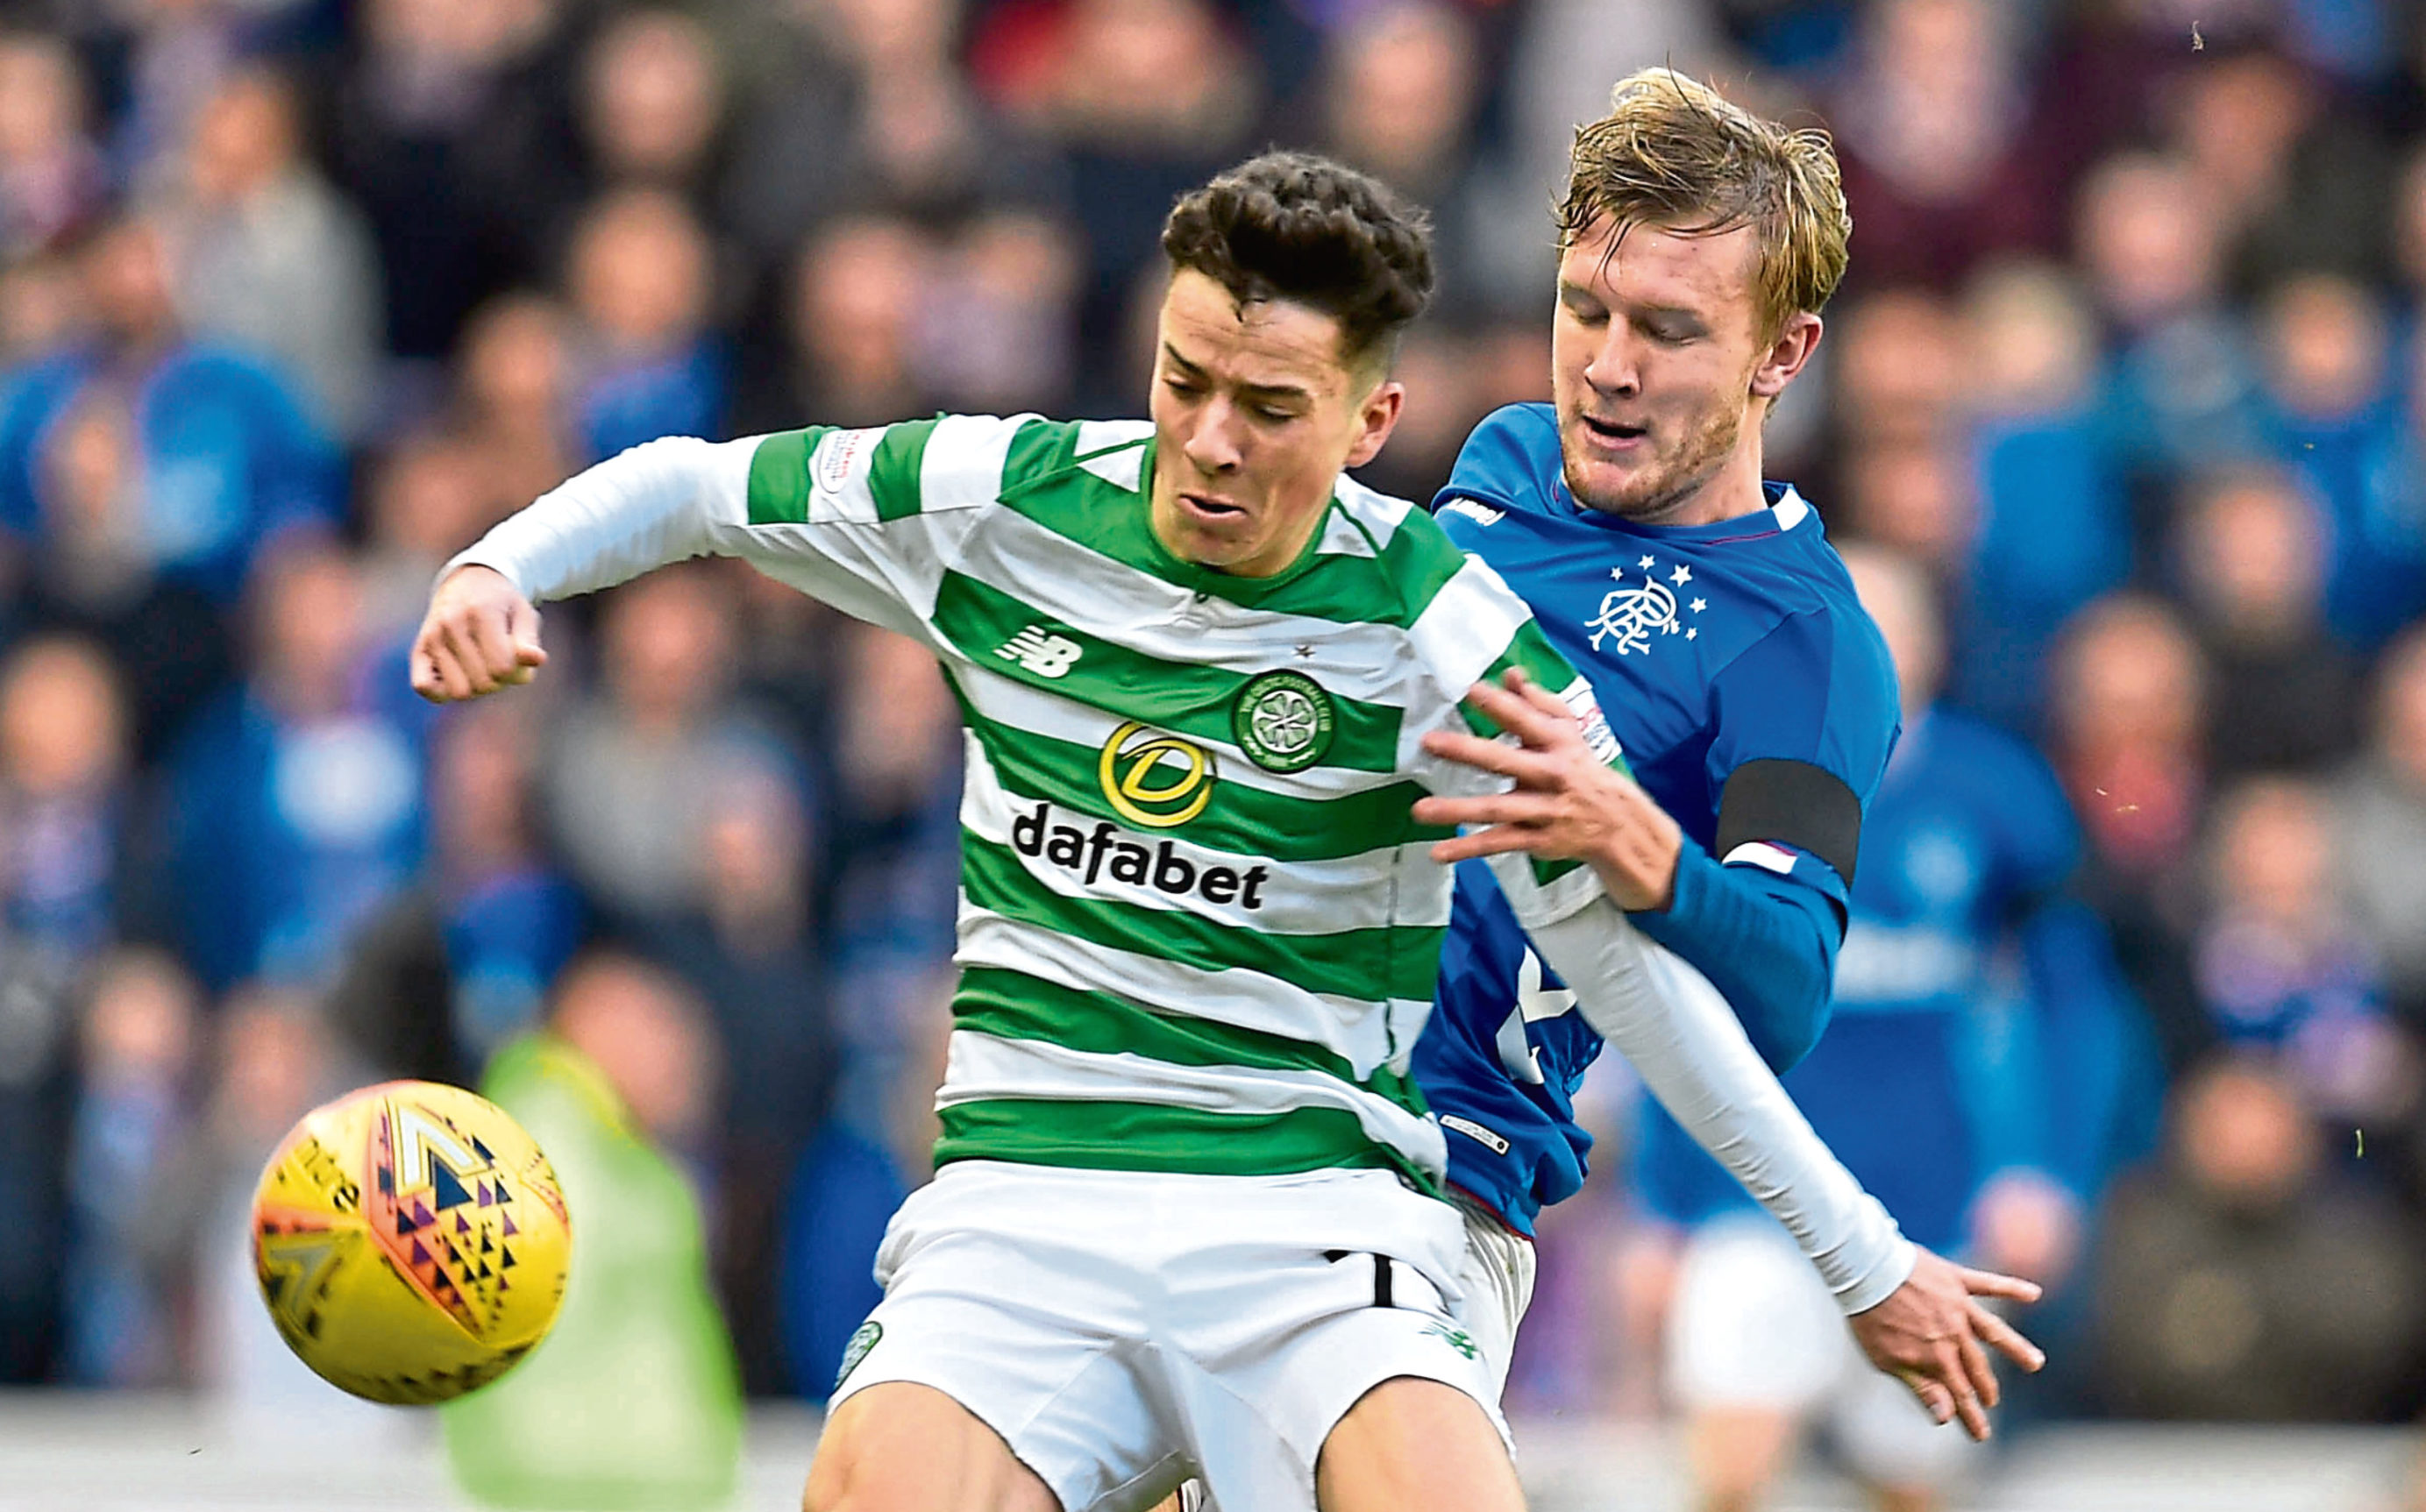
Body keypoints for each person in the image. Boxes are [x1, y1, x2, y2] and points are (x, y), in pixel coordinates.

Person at [415, 152, 2025, 1512]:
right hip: (1038, 1191)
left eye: (1268, 405)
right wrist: (497, 567)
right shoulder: (1071, 499)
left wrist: (1852, 1246)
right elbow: (706, 486)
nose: (1211, 441)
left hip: (1364, 1192)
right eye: (1582, 311)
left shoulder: (1546, 629)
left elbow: (1678, 977)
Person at [1412, 69, 2042, 1445]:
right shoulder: (1502, 459)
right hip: (1248, 1082)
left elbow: (1782, 974)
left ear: (1783, 353)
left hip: (1436, 1167)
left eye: (1668, 330)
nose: (1606, 366)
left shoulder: (1806, 643)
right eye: (1582, 308)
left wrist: (1642, 850)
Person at [1633, 544, 2138, 1512]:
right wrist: (1661, 1204)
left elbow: (2070, 998)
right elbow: (1667, 999)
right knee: (1729, 1472)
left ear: (1925, 647)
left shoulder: (1996, 795)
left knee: (1913, 1483)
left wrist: (2047, 1174)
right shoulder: (1723, 785)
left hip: (1932, 1205)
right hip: (1756, 1198)